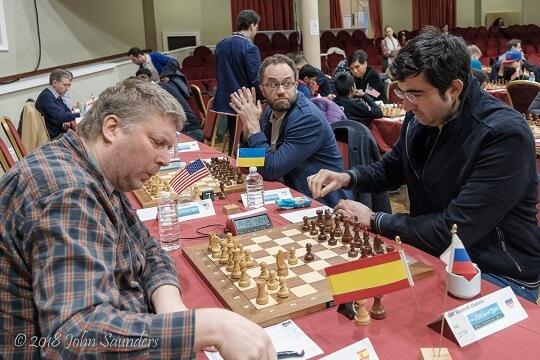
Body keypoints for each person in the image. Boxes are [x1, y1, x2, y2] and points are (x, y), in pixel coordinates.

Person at [0, 79, 276, 358]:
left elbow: (148, 248)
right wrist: (213, 327)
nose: (166, 160)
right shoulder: (67, 190)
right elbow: (75, 337)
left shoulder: (94, 170)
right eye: (158, 142)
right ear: (112, 128)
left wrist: (169, 304)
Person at [307, 27, 540, 302]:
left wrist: (374, 219)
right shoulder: (421, 115)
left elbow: (453, 230)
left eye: (415, 94)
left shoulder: (504, 135)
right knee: (341, 297)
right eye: (403, 94)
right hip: (428, 250)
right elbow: (393, 168)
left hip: (493, 270)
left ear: (454, 89)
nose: (407, 106)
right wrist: (348, 177)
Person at [230, 54, 351, 207]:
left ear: (295, 85)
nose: (281, 91)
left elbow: (271, 170)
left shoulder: (307, 119)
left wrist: (254, 127)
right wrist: (248, 128)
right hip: (287, 195)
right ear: (262, 89)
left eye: (287, 83)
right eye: (274, 84)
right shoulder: (270, 110)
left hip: (319, 204)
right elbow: (246, 162)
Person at [213, 9, 261, 155]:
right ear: (252, 25)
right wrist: (264, 98)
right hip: (244, 101)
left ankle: (233, 165)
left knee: (234, 137)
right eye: (257, 27)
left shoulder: (221, 44)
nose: (257, 31)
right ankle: (250, 168)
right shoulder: (250, 47)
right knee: (250, 136)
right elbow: (254, 78)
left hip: (225, 100)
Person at [136, 68, 204, 142]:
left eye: (144, 77)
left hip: (191, 130)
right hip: (180, 130)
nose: (142, 81)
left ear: (150, 78)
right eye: (139, 80)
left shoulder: (160, 89)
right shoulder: (156, 90)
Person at [35, 68, 79, 139]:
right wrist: (81, 114)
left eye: (69, 85)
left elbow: (66, 109)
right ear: (55, 83)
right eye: (65, 85)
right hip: (56, 136)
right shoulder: (47, 96)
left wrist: (67, 119)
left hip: (60, 130)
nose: (67, 89)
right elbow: (60, 117)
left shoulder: (55, 95)